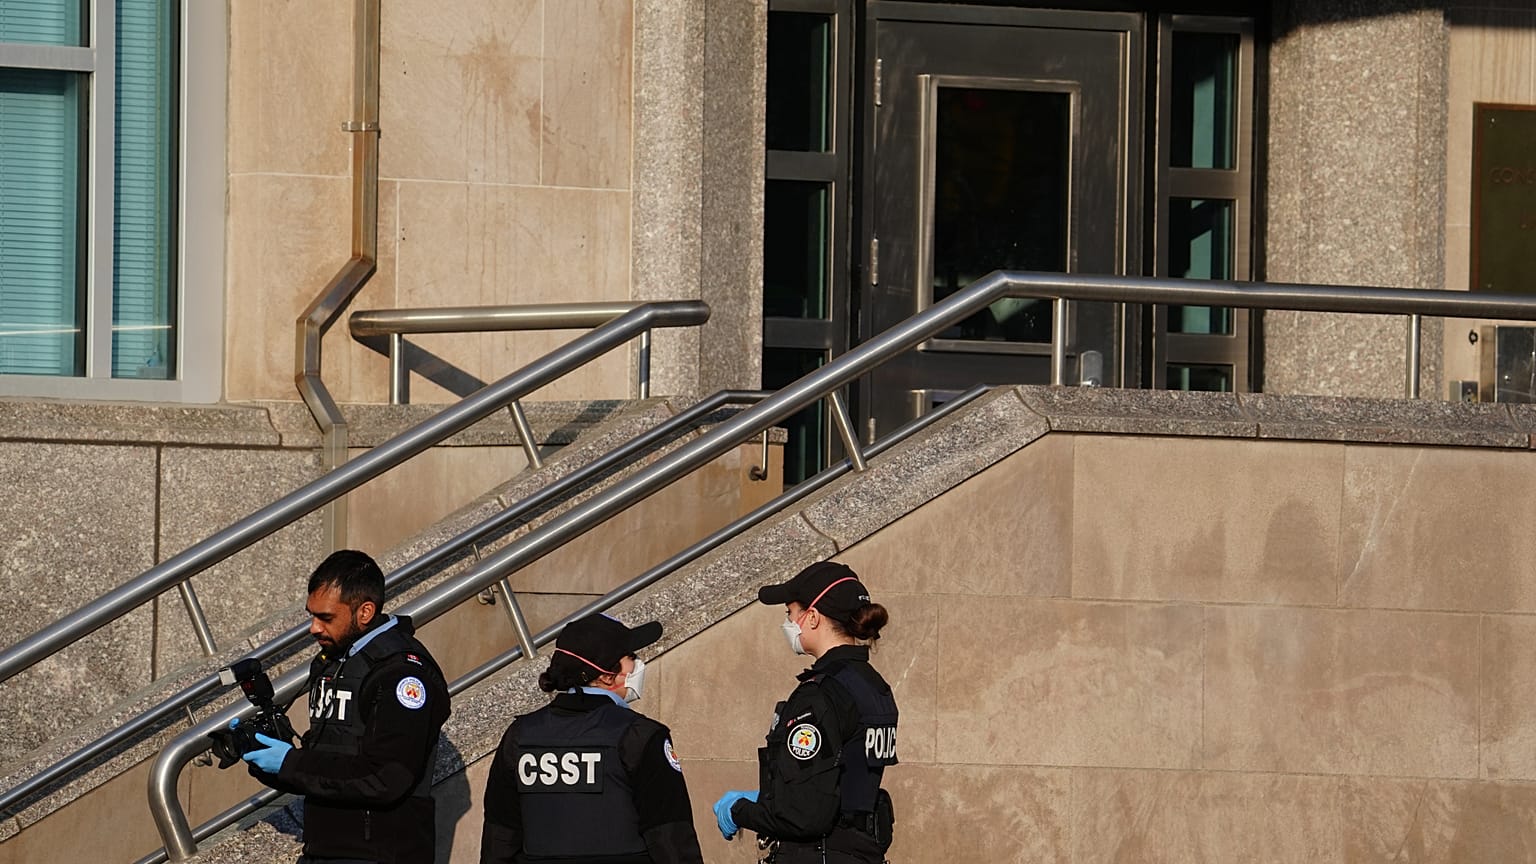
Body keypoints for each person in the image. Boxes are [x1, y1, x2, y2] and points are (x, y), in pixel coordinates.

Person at [238, 549, 451, 864]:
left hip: (383, 854)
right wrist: (268, 760)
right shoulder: (333, 662)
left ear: (365, 612)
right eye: (311, 615)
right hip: (324, 849)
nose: (314, 628)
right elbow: (328, 761)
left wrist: (290, 762)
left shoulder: (402, 674)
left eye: (326, 617)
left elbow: (386, 778)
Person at [479, 612, 705, 864]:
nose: (638, 664)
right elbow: (671, 838)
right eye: (631, 657)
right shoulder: (640, 736)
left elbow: (499, 840)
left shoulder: (521, 736)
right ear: (608, 675)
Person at [712, 562, 898, 863]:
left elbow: (804, 817)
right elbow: (842, 782)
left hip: (821, 853)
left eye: (790, 613)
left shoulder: (821, 693)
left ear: (812, 617)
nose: (788, 622)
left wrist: (739, 810)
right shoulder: (872, 684)